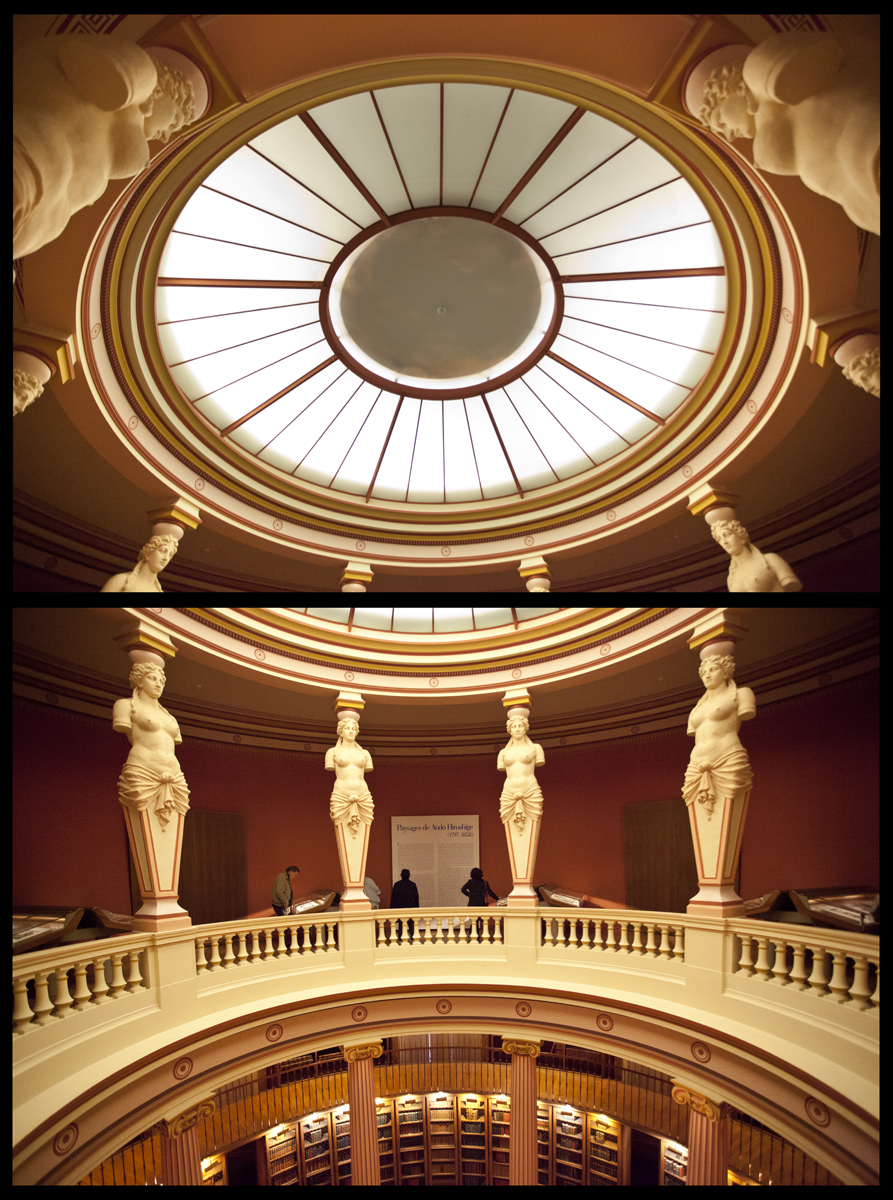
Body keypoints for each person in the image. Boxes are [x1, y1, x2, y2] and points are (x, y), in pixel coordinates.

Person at [390, 868, 420, 940]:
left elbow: (393, 898)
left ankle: (400, 937)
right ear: (409, 875)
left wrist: (392, 908)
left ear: (401, 875)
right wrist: (417, 908)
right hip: (411, 907)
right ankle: (413, 937)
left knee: (401, 924)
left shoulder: (397, 885)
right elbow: (416, 897)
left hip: (400, 907)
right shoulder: (412, 885)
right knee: (411, 923)